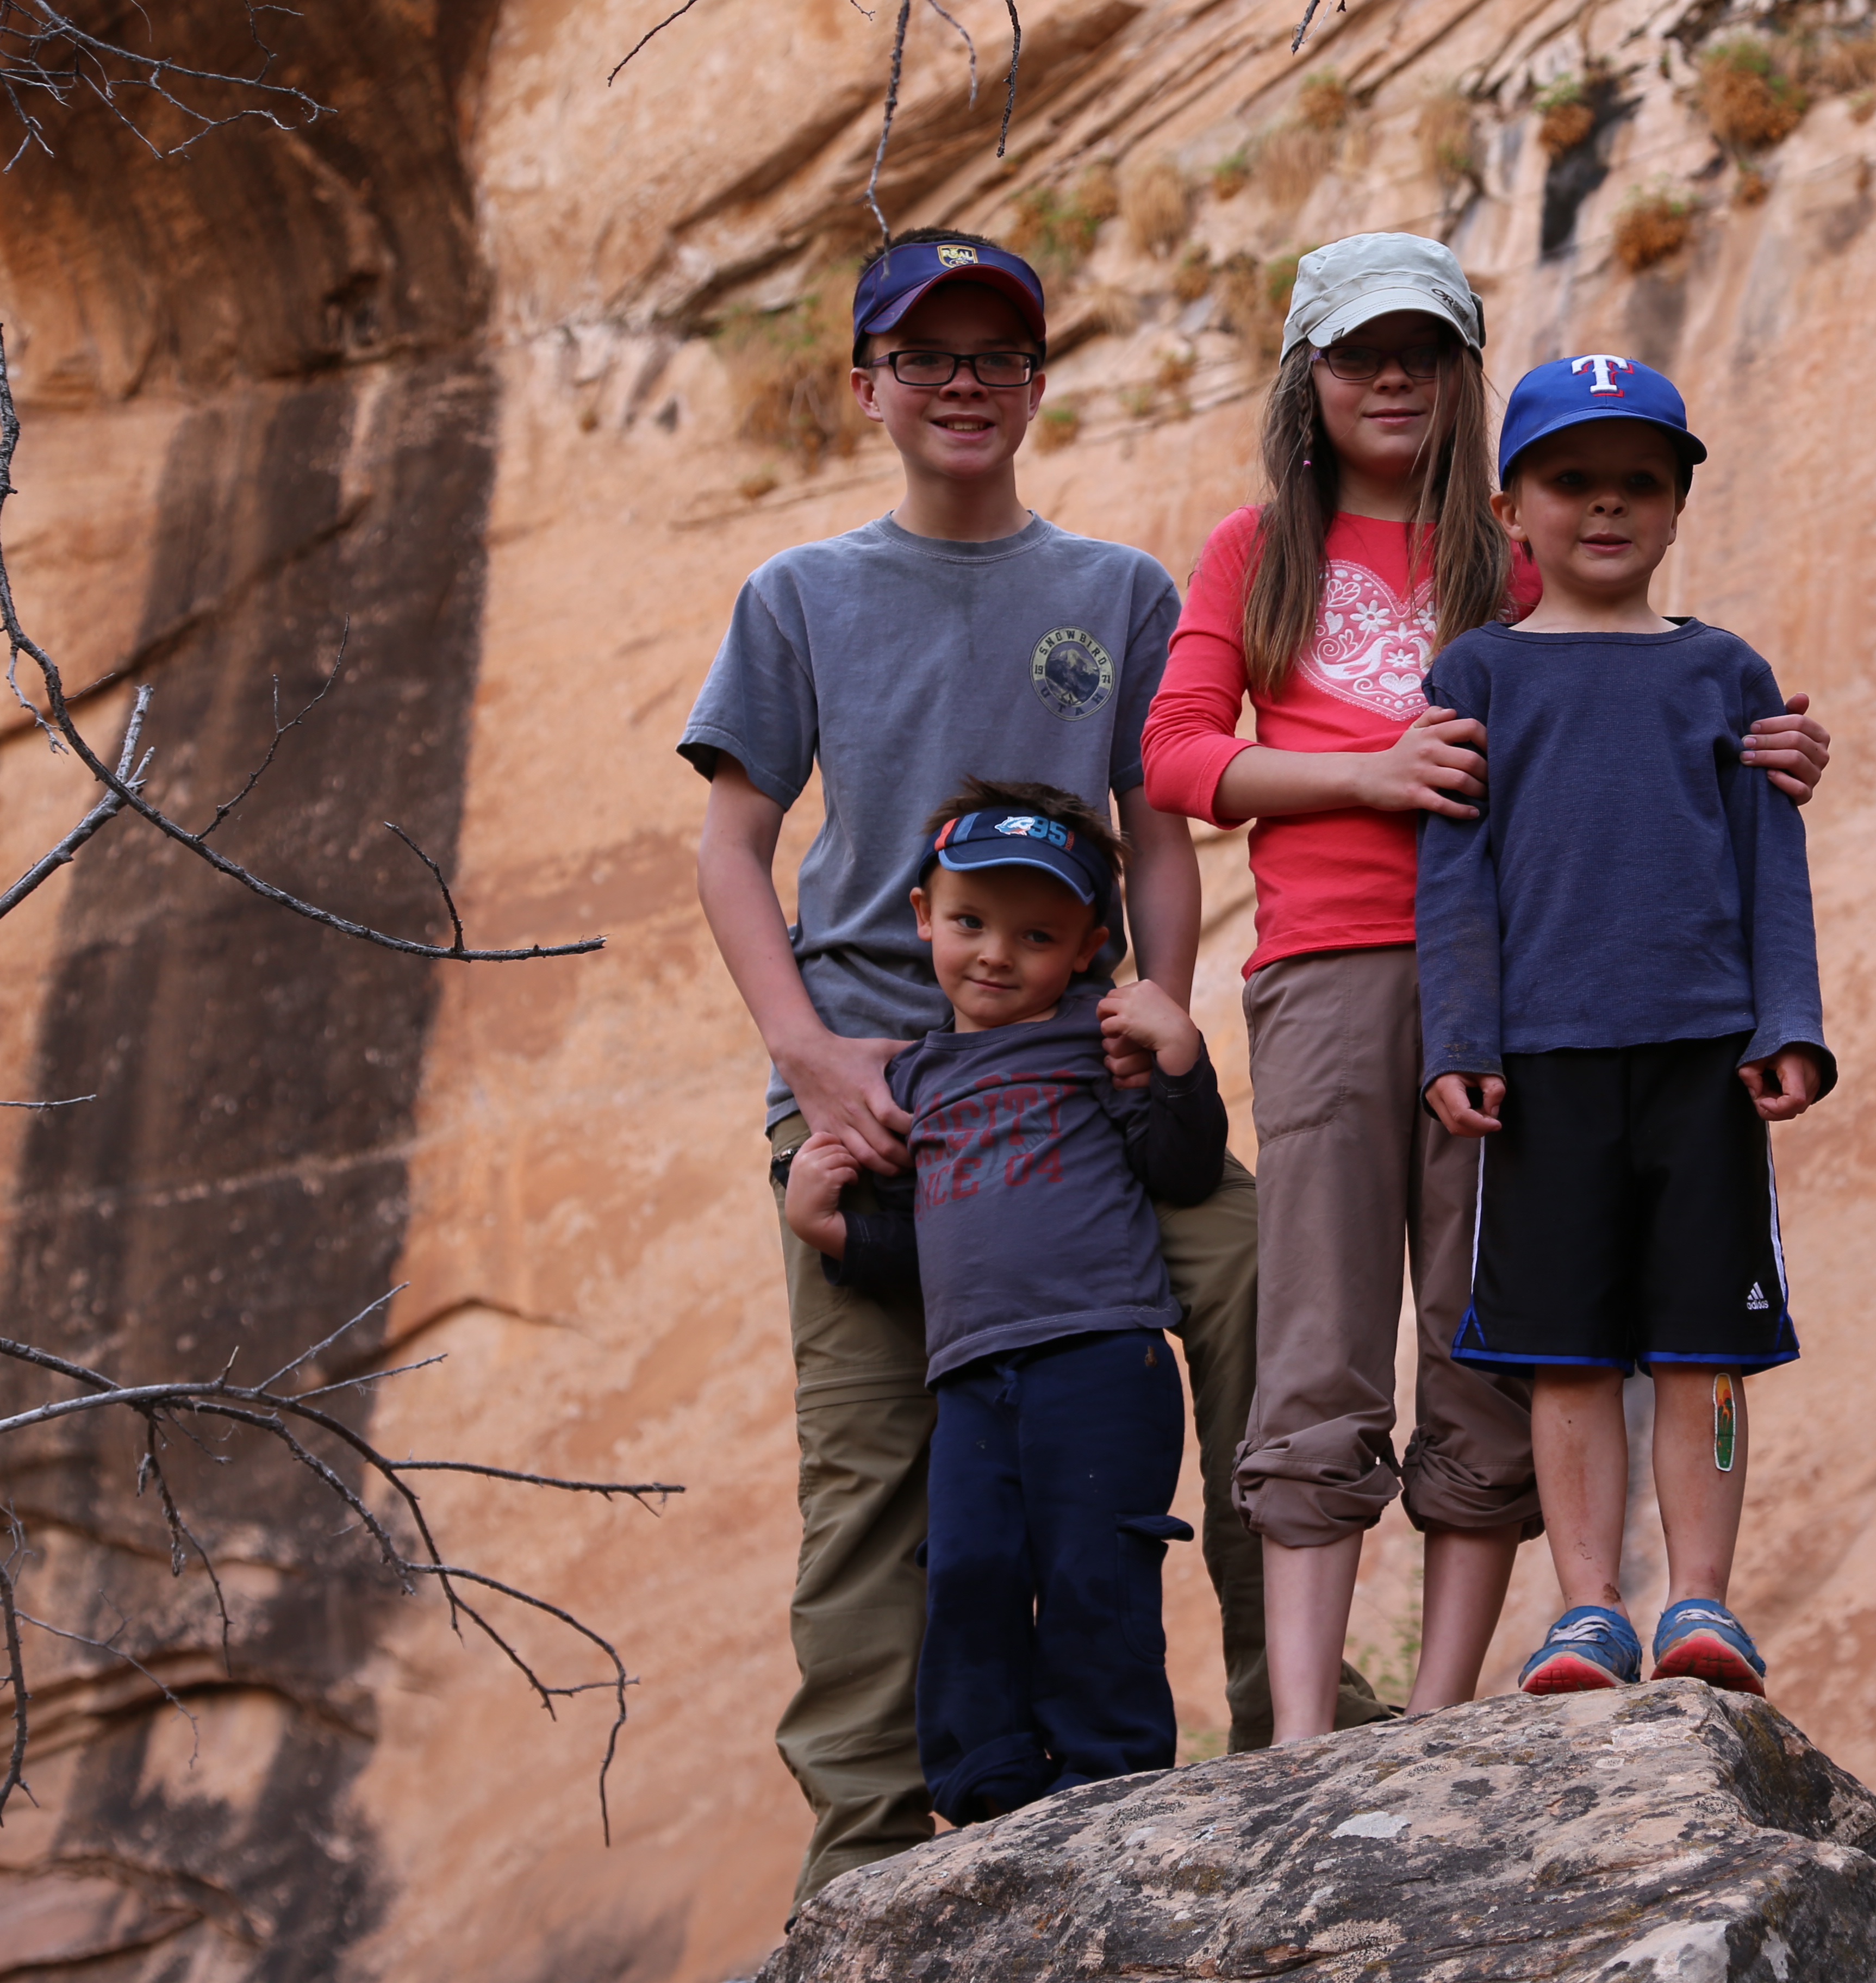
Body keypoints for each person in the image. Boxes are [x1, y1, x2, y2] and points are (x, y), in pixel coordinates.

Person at [1139, 235, 1835, 1742]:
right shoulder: (1260, 550)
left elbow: (1643, 713)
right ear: (1305, 376)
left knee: (1488, 1330)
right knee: (1320, 1333)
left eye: (1424, 354)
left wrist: (1768, 752)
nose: (1390, 379)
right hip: (1328, 963)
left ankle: (1443, 1713)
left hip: (1531, 992)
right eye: (1356, 354)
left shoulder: (1518, 558)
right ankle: (1309, 1730)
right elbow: (1180, 754)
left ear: (1466, 381)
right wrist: (1367, 773)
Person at [680, 230, 1268, 1909]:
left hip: (1080, 1074)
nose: (960, 386)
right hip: (883, 1091)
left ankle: (1289, 1710)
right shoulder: (802, 596)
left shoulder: (1116, 594)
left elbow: (1158, 829)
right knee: (873, 1466)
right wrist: (808, 1059)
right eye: (922, 357)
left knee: (1244, 1286)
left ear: (1034, 386)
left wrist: (1161, 1004)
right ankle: (865, 1851)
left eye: (994, 358)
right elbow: (732, 848)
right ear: (866, 385)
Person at [1418, 354, 1833, 1699]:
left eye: (1639, 485)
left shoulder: (1726, 672)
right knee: (1567, 1346)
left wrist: (1790, 1022)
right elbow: (1454, 878)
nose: (1607, 509)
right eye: (1572, 482)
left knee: (1708, 1344)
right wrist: (1459, 1041)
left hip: (1703, 1056)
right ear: (1510, 505)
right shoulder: (1476, 676)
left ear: (1677, 505)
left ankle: (1702, 1603)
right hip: (1542, 1068)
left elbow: (1773, 861)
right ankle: (1588, 1608)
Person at [782, 783, 1223, 1823]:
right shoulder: (907, 1080)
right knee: (969, 1567)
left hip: (1103, 1358)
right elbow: (930, 1244)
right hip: (973, 1376)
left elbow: (1181, 1167)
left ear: (1084, 949)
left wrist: (1180, 1057)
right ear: (923, 917)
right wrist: (833, 1233)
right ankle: (983, 1787)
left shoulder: (1096, 1037)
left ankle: (1105, 1776)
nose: (994, 954)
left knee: (1092, 1566)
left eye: (1035, 935)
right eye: (970, 922)